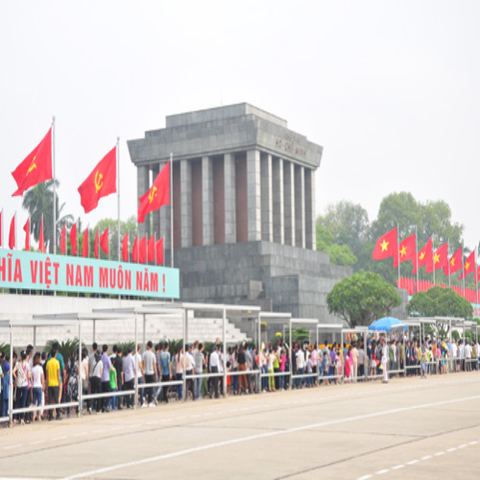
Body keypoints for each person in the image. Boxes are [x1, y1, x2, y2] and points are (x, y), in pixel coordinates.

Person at [13, 350, 31, 425]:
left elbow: (13, 371)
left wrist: (16, 377)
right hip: (25, 384)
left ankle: (14, 418)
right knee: (23, 401)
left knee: (17, 401)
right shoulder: (27, 364)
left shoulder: (17, 363)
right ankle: (22, 419)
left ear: (20, 356)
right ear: (26, 356)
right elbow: (29, 375)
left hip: (19, 385)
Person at [46, 346, 61, 421]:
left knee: (50, 400)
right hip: (55, 384)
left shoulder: (48, 363)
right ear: (55, 354)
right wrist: (59, 383)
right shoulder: (57, 362)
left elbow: (47, 375)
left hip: (50, 384)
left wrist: (46, 384)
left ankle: (50, 416)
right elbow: (58, 374)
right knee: (56, 400)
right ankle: (58, 414)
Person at [142, 341, 157, 407]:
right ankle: (150, 402)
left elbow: (144, 364)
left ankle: (143, 398)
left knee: (146, 386)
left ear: (148, 346)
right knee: (151, 388)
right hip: (151, 373)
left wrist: (143, 372)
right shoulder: (153, 354)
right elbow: (155, 366)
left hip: (146, 373)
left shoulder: (144, 353)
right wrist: (156, 374)